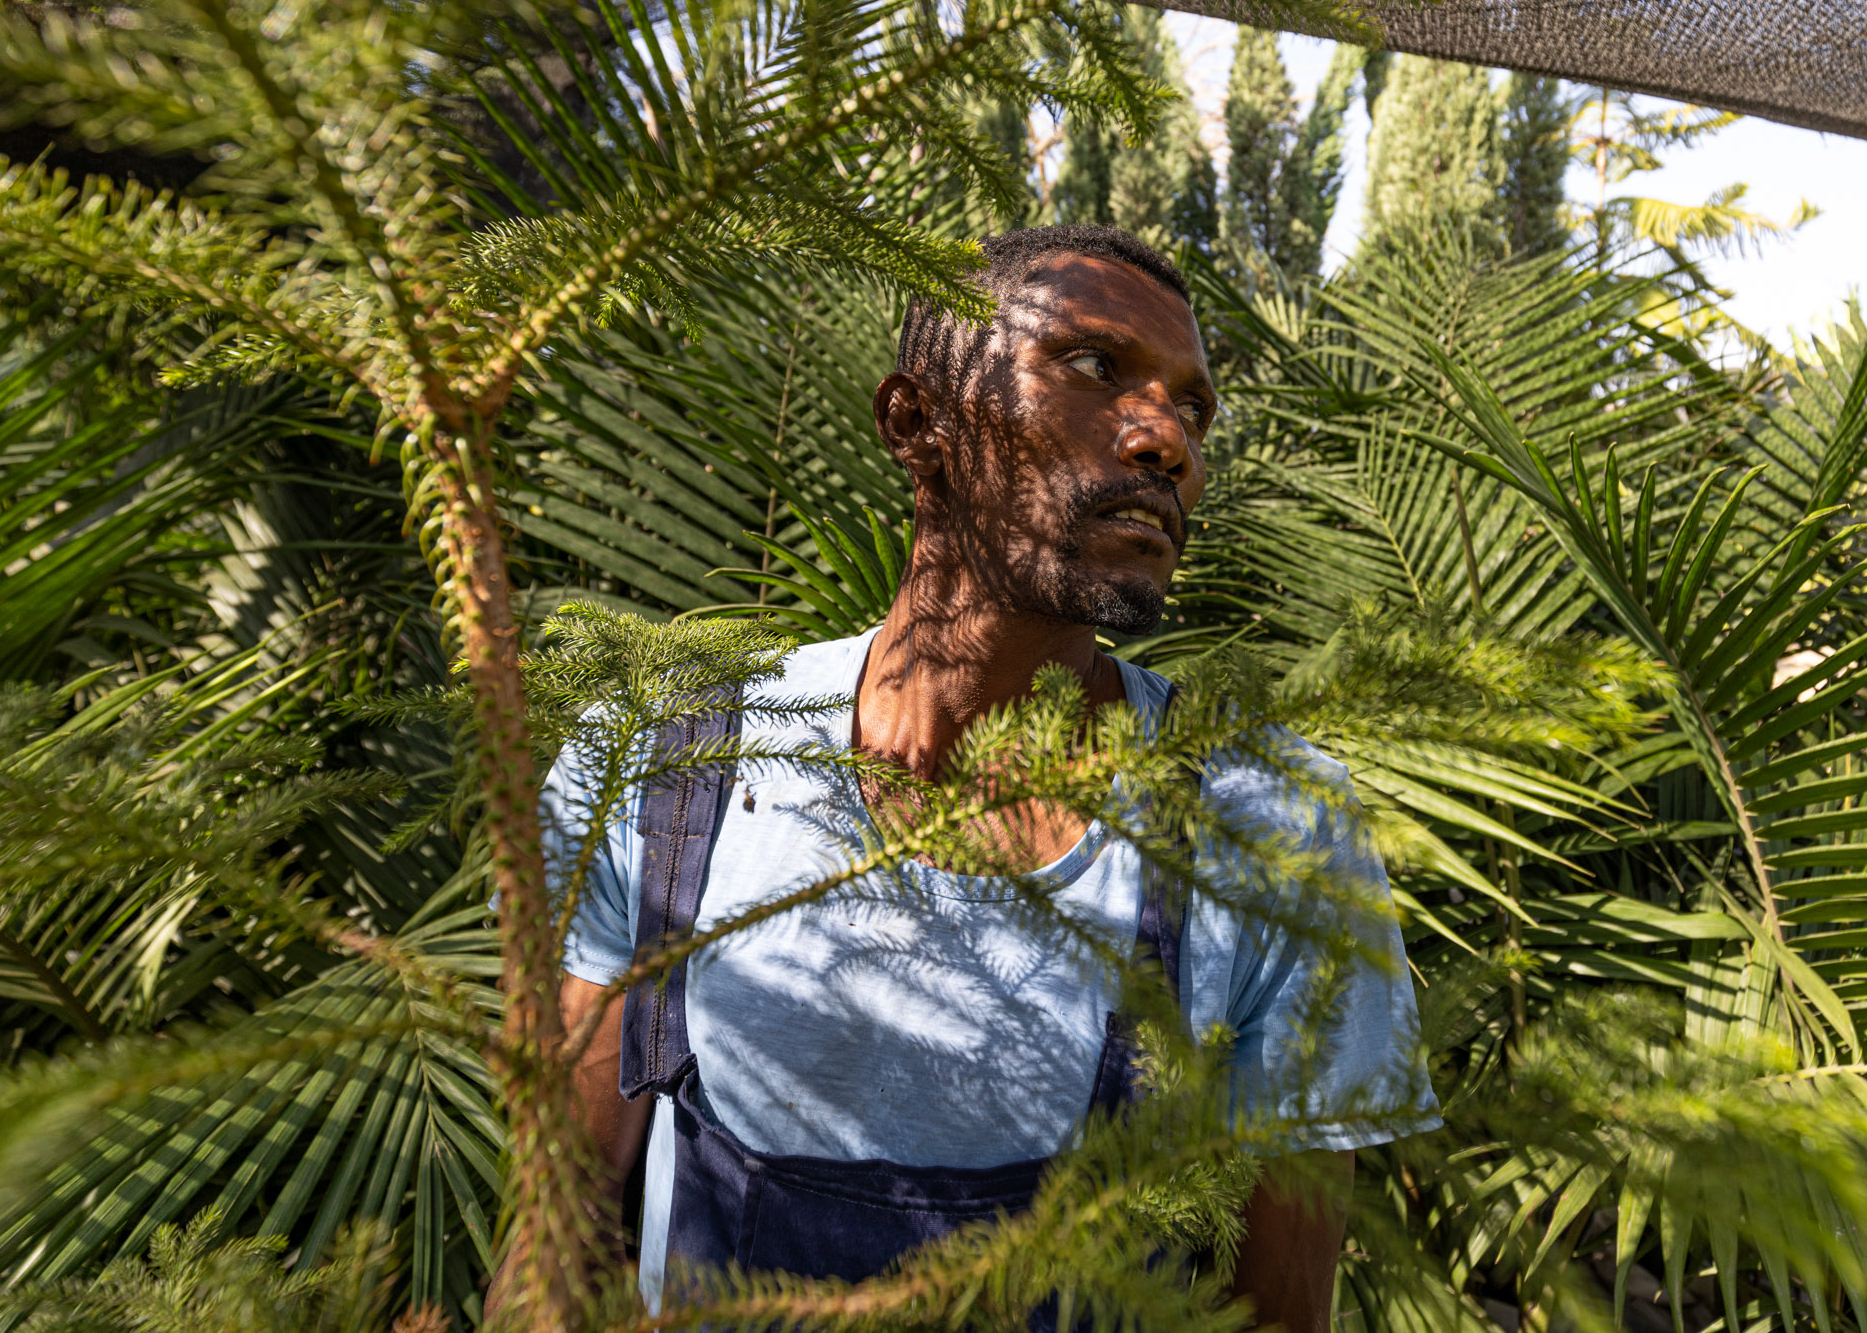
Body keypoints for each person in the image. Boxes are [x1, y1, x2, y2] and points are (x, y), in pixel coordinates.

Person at [525, 225, 1439, 1330]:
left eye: (1193, 408)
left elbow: (1278, 1311)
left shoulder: (1273, 825)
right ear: (918, 423)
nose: (1168, 444)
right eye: (1095, 367)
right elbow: (556, 1245)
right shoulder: (671, 765)